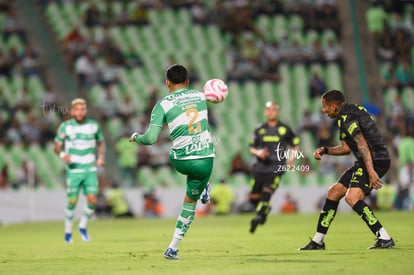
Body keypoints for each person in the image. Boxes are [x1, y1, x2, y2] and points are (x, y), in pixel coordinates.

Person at [129, 64, 215, 260]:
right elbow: (214, 96)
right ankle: (173, 247)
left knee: (184, 165)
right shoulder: (200, 96)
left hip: (180, 160)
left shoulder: (162, 104)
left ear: (167, 82)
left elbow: (150, 139)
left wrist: (136, 137)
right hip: (205, 160)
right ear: (187, 81)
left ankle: (172, 250)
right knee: (191, 202)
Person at [299, 89, 394, 250]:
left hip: (374, 159)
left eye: (325, 106)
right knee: (334, 192)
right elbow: (346, 148)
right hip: (368, 159)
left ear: (335, 106)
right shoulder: (351, 112)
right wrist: (326, 150)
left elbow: (363, 145)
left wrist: (371, 172)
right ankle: (318, 241)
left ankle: (384, 237)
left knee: (352, 198)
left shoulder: (347, 118)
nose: (324, 110)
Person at [54, 98, 106, 243]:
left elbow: (101, 143)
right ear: (72, 111)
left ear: (86, 111)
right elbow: (56, 146)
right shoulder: (66, 127)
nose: (80, 112)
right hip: (74, 169)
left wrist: (101, 157)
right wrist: (63, 155)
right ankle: (68, 230)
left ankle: (82, 226)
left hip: (89, 169)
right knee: (72, 201)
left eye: (83, 109)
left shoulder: (93, 126)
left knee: (92, 200)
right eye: (77, 109)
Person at [249, 101, 300, 233]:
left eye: (273, 109)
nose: (270, 112)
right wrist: (258, 152)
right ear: (265, 112)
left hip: (277, 165)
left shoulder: (284, 129)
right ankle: (263, 211)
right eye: (268, 109)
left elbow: (295, 145)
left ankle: (260, 215)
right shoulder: (259, 129)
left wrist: (291, 159)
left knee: (267, 191)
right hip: (261, 166)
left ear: (277, 112)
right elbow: (252, 148)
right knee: (253, 197)